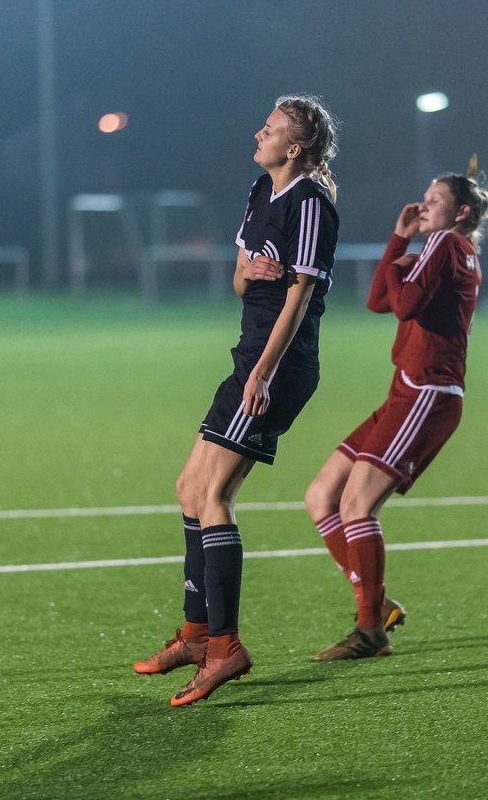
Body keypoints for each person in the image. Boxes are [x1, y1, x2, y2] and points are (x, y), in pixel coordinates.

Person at [133, 95, 340, 706]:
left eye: (271, 129)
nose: (259, 132)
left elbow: (300, 296)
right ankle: (198, 635)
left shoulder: (310, 203)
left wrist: (266, 373)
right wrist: (250, 272)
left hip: (279, 366)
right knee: (188, 488)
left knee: (214, 495)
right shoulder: (260, 190)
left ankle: (225, 648)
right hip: (248, 358)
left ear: (295, 148)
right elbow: (241, 276)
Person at [303, 157, 488, 661]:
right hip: (406, 392)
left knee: (356, 505)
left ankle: (369, 631)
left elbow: (404, 305)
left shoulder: (448, 244)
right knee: (322, 496)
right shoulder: (440, 246)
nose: (423, 204)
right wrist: (399, 240)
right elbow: (377, 301)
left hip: (428, 393)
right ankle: (377, 603)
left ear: (461, 213)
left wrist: (410, 254)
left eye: (435, 200)